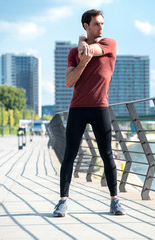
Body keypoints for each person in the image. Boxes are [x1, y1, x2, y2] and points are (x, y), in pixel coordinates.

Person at [53, 9, 125, 217]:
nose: (101, 27)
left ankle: (115, 200)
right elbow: (68, 82)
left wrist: (82, 42)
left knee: (107, 155)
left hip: (100, 108)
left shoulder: (108, 44)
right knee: (69, 156)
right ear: (86, 25)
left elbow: (89, 51)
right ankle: (62, 202)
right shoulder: (74, 53)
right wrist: (82, 59)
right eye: (96, 24)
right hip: (77, 109)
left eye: (102, 23)